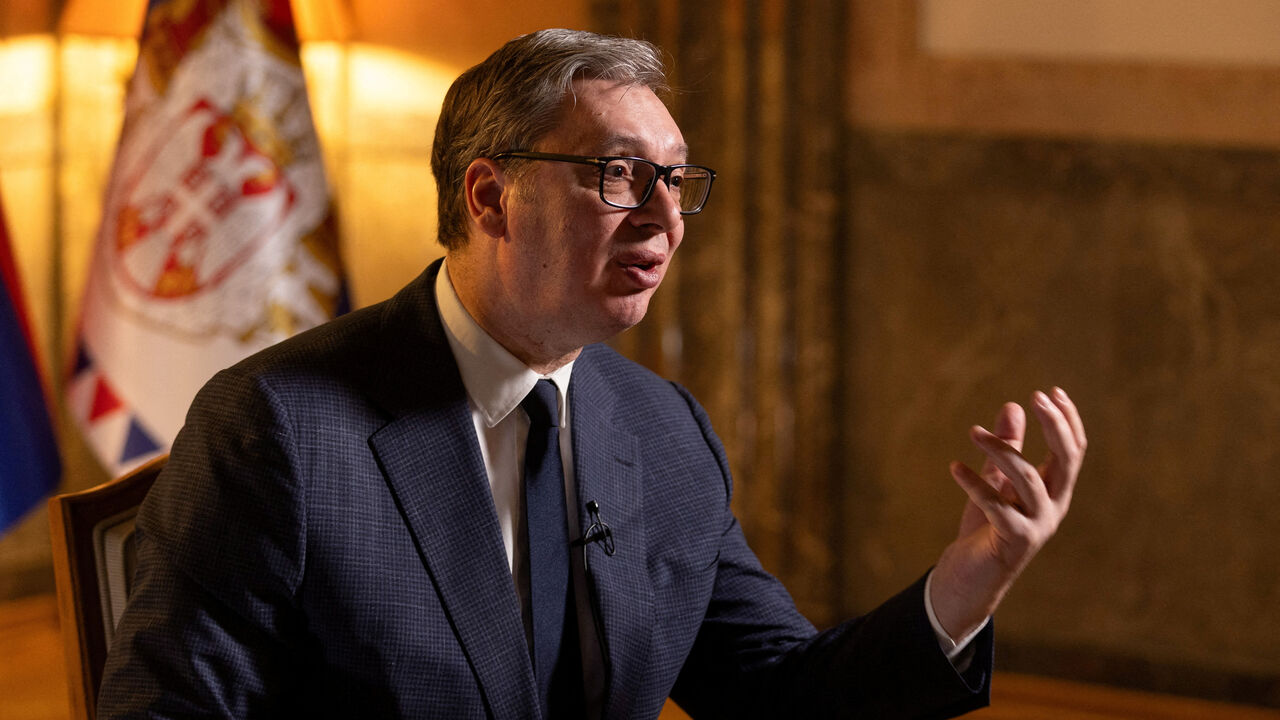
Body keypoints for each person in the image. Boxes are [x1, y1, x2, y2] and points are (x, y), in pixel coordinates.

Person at [98, 28, 1086, 720]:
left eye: (676, 180)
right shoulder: (277, 427)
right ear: (490, 197)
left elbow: (784, 697)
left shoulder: (662, 429)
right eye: (619, 175)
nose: (664, 219)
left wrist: (969, 581)